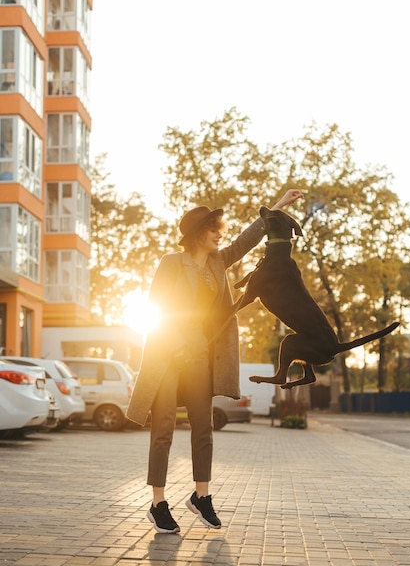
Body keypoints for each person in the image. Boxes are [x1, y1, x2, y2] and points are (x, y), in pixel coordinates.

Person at [126, 188, 304, 534]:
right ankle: (158, 503)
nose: (219, 234)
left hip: (200, 359)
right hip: (167, 356)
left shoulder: (218, 263)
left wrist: (277, 206)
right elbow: (157, 307)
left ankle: (201, 496)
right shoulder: (170, 263)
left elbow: (246, 239)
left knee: (203, 428)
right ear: (196, 234)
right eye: (213, 229)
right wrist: (177, 344)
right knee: (162, 429)